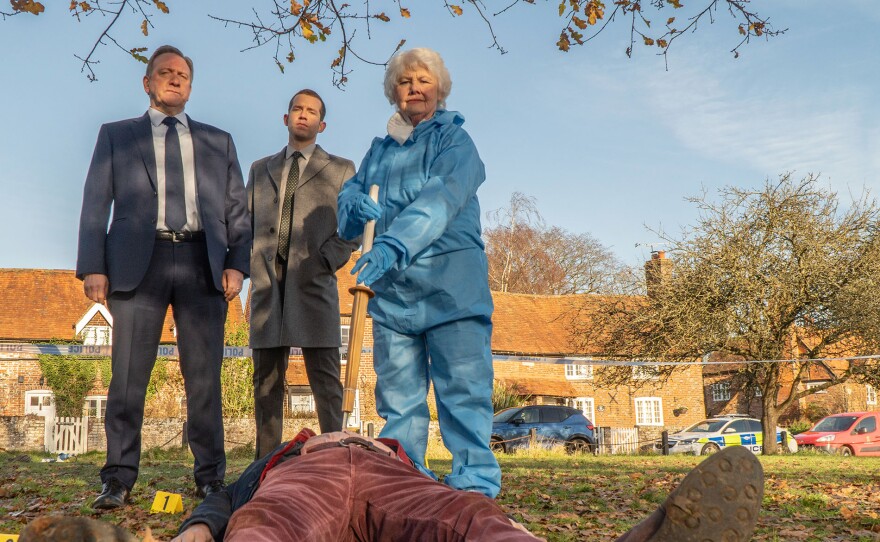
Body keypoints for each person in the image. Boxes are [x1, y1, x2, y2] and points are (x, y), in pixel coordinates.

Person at [75, 45, 251, 509]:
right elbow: (96, 201)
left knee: (204, 378)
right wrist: (93, 265)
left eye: (183, 75)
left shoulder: (219, 141)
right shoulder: (117, 136)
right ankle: (117, 479)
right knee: (128, 376)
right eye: (165, 73)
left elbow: (238, 210)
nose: (175, 79)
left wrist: (237, 263)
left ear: (190, 86)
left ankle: (211, 478)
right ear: (147, 82)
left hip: (202, 264)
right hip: (137, 263)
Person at [336, 48, 500, 497]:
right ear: (394, 92)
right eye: (405, 81)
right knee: (399, 401)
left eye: (424, 80)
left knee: (463, 391)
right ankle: (408, 486)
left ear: (440, 89)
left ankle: (473, 487)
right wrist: (348, 206)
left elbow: (440, 200)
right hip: (393, 295)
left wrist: (392, 244)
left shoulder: (455, 142)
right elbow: (352, 208)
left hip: (452, 287)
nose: (414, 88)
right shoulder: (379, 151)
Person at [169, 434, 764, 542]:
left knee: (470, 515)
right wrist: (198, 526)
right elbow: (229, 497)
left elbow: (444, 500)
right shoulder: (288, 449)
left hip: (391, 478)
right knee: (263, 523)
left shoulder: (395, 450)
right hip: (308, 477)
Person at [246, 89, 358, 458]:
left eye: (312, 111)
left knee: (326, 381)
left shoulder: (341, 169)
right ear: (286, 118)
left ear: (322, 124)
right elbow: (243, 223)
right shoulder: (260, 169)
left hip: (314, 283)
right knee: (266, 383)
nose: (303, 115)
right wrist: (243, 264)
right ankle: (264, 465)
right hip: (266, 286)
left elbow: (354, 227)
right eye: (297, 108)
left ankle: (337, 460)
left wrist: (326, 260)